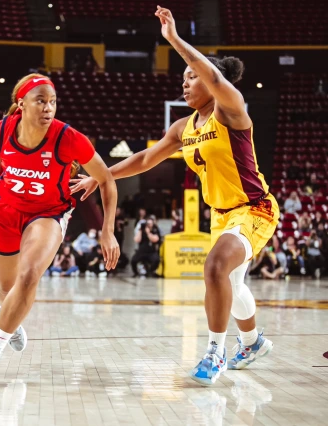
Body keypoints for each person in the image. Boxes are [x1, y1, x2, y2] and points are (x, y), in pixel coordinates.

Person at [70, 6, 279, 386]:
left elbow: (214, 77)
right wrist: (99, 177)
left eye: (191, 77)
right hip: (221, 214)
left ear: (209, 82)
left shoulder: (231, 111)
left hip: (254, 208)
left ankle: (214, 352)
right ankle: (252, 342)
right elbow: (145, 159)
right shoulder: (184, 126)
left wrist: (174, 40)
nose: (184, 84)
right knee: (232, 284)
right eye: (182, 78)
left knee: (215, 267)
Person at [0, 73, 119, 387]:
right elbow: (0, 168)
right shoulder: (0, 133)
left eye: (52, 101)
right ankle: (12, 320)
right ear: (21, 103)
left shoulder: (68, 138)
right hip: (7, 211)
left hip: (48, 213)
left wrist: (107, 231)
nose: (48, 108)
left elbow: (106, 179)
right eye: (41, 101)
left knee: (29, 275)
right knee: (5, 288)